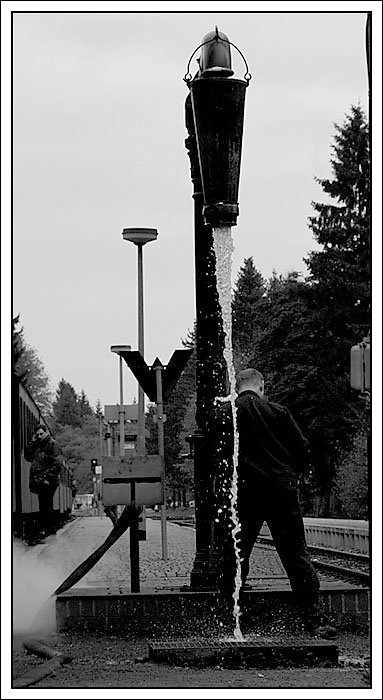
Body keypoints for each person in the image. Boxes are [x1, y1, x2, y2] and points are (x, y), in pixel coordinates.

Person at [213, 368, 335, 638]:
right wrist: (291, 475)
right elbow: (302, 448)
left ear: (238, 387)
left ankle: (229, 620)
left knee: (235, 555)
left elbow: (217, 457)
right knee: (296, 555)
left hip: (245, 493)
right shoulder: (279, 412)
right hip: (282, 491)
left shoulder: (227, 414)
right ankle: (315, 620)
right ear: (262, 387)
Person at [24, 424, 62, 539]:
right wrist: (32, 442)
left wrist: (46, 477)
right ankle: (47, 531)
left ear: (46, 432)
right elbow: (28, 457)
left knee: (47, 505)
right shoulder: (37, 445)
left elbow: (57, 464)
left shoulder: (53, 444)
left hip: (48, 480)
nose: (39, 436)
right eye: (37, 435)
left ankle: (49, 531)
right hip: (40, 480)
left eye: (41, 433)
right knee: (43, 506)